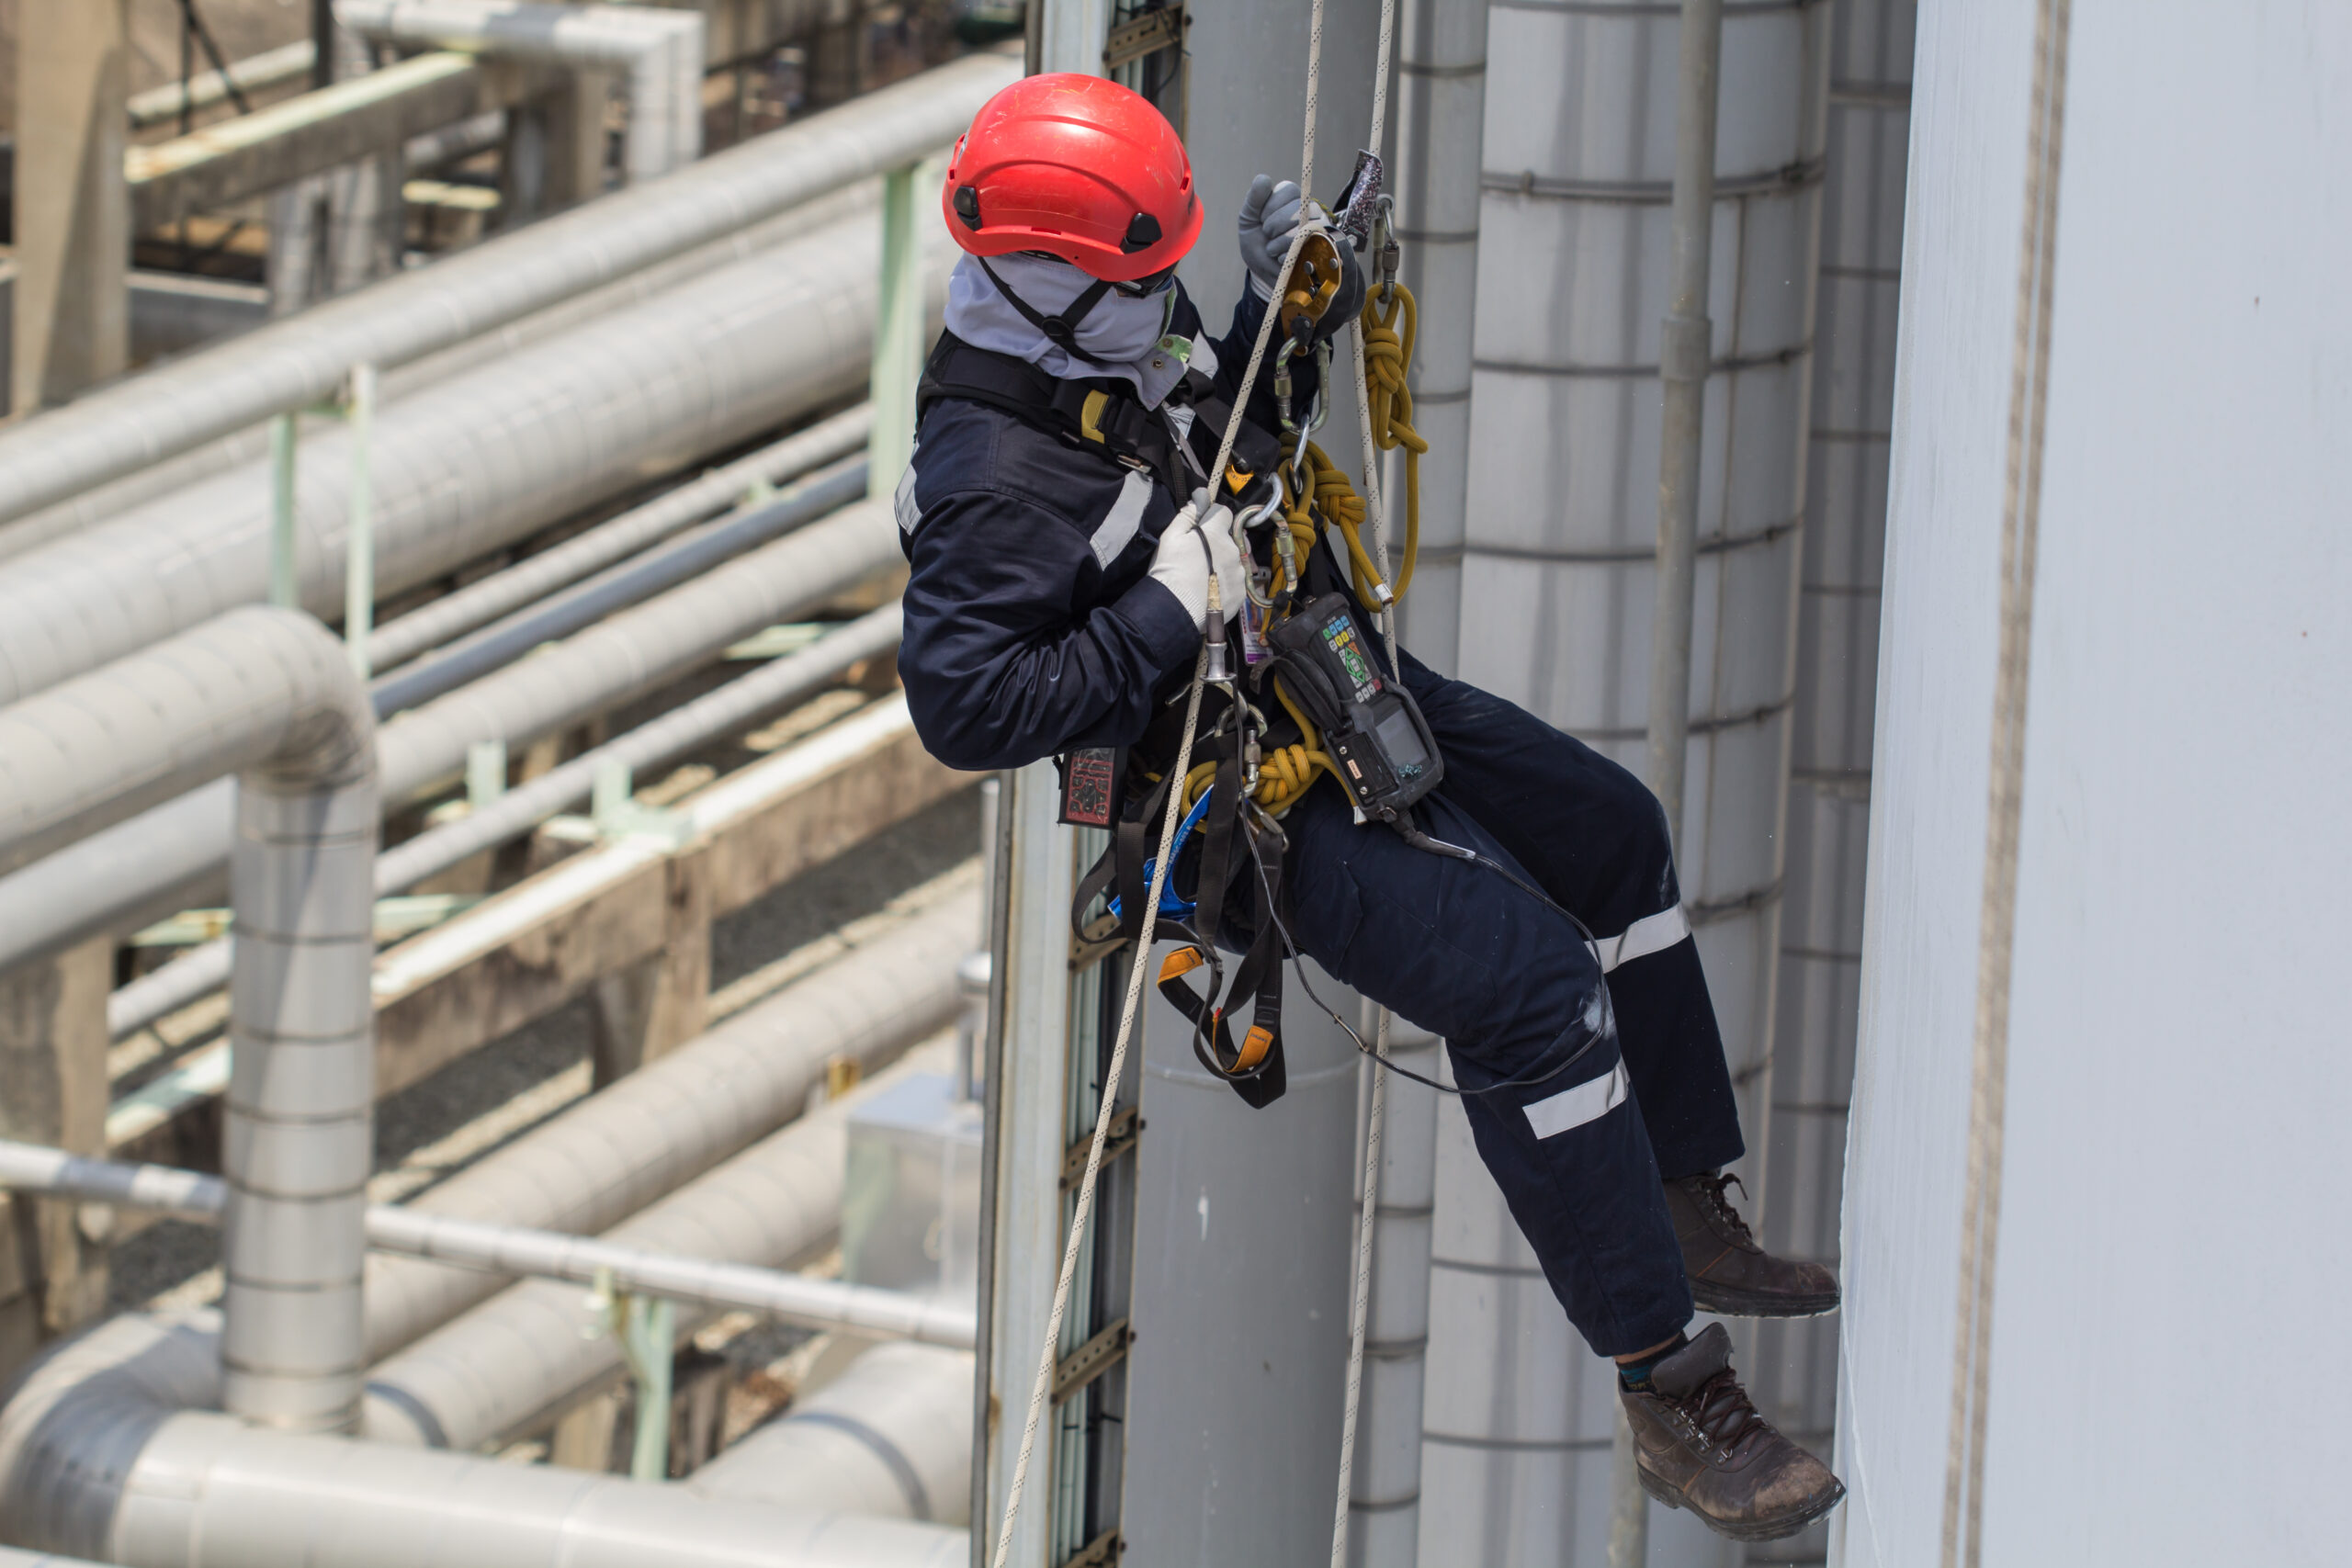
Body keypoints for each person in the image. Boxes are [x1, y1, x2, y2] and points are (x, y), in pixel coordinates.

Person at [894, 73, 1847, 1542]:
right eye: (1141, 283)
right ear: (1048, 281)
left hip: (1313, 670)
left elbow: (1224, 433)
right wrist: (1164, 609)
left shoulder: (1100, 328)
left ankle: (1675, 1193)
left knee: (1614, 833)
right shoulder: (990, 480)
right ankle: (1673, 1390)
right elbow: (969, 709)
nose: (1161, 304)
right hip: (1232, 796)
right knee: (1531, 990)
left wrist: (1282, 313)